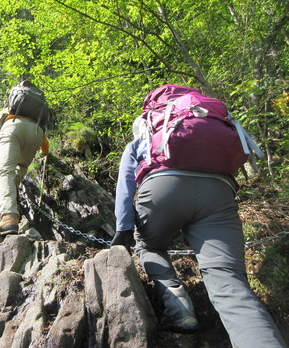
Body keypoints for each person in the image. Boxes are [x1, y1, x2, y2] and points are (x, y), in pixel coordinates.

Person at [111, 116, 286, 347]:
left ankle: (178, 304)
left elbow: (125, 183)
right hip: (218, 190)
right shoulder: (206, 123)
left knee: (149, 245)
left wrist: (123, 227)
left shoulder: (144, 138)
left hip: (162, 187)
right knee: (229, 282)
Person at [0, 80, 49, 236]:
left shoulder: (8, 110)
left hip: (13, 128)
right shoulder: (37, 113)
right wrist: (44, 152)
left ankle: (9, 217)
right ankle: (11, 196)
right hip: (37, 134)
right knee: (21, 168)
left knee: (5, 171)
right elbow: (45, 143)